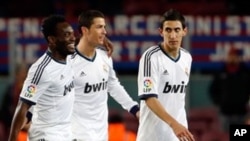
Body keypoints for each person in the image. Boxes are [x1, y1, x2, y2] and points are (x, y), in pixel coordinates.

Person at [69, 10, 140, 141]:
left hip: (101, 134)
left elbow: (113, 85)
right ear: (85, 30)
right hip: (77, 134)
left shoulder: (104, 57)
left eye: (104, 27)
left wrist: (134, 109)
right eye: (99, 27)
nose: (104, 31)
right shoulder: (68, 62)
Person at [8, 14, 76, 141]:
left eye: (72, 34)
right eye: (67, 35)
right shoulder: (42, 69)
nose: (73, 39)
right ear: (52, 40)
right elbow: (23, 107)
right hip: (47, 136)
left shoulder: (70, 59)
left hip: (66, 134)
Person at [136, 9, 195, 141]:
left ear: (184, 31)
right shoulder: (150, 57)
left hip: (178, 135)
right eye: (168, 30)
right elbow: (150, 98)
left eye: (177, 30)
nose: (173, 35)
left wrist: (179, 126)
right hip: (152, 136)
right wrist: (174, 124)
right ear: (161, 32)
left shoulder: (187, 57)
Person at [209, 47, 250, 132]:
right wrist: (220, 102)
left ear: (239, 58)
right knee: (225, 137)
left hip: (241, 113)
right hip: (225, 113)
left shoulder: (245, 73)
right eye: (231, 56)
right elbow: (213, 90)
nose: (233, 58)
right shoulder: (221, 72)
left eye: (235, 56)